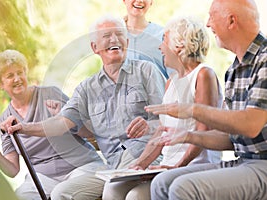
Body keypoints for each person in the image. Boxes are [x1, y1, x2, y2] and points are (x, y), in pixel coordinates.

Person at [2, 15, 166, 199]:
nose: (114, 39)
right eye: (106, 35)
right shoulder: (87, 88)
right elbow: (60, 123)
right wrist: (24, 127)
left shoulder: (146, 71)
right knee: (62, 193)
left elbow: (166, 120)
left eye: (119, 34)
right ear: (94, 48)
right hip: (112, 169)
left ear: (127, 41)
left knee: (127, 195)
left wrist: (148, 125)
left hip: (147, 157)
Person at [145, 0, 267, 199]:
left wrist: (192, 109)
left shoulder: (264, 60)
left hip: (263, 163)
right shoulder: (233, 70)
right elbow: (231, 138)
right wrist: (187, 136)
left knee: (183, 188)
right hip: (244, 161)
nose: (208, 24)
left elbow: (251, 125)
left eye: (212, 16)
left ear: (231, 20)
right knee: (161, 182)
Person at [112, 15, 223, 200]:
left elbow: (203, 131)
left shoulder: (203, 75)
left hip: (195, 166)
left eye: (164, 40)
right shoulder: (171, 81)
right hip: (168, 165)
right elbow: (160, 134)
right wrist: (139, 165)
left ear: (179, 46)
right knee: (113, 189)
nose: (160, 47)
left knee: (136, 197)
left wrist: (177, 167)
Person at [0, 49, 107, 200]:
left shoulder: (50, 94)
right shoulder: (5, 119)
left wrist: (65, 118)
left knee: (60, 194)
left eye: (20, 72)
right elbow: (13, 170)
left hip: (81, 167)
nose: (17, 78)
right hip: (45, 178)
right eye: (10, 76)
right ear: (0, 84)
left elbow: (89, 133)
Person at [123, 0, 173, 78]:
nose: (140, 1)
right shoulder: (114, 35)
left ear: (151, 1)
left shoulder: (163, 36)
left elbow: (174, 77)